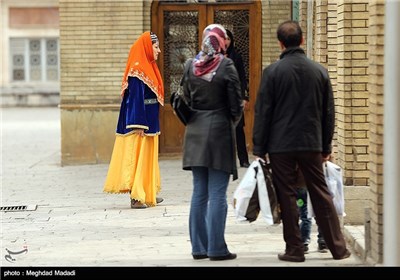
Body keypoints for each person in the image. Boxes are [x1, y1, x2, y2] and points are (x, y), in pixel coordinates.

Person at [252, 20, 351, 262]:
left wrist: (259, 147)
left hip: (280, 146)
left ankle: (295, 248)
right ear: (302, 40)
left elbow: (263, 111)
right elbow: (329, 112)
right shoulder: (320, 71)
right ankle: (338, 248)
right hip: (311, 144)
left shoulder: (272, 73)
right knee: (320, 192)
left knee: (286, 194)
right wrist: (326, 146)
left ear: (280, 43)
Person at [180, 24, 243, 261]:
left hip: (195, 132)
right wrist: (230, 121)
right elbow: (236, 105)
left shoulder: (189, 65)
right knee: (217, 193)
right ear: (220, 42)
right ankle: (216, 248)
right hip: (219, 133)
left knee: (199, 192)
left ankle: (199, 247)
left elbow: (185, 97)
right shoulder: (226, 65)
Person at [103, 31, 164, 209]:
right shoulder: (138, 70)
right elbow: (134, 99)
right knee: (138, 158)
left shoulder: (149, 67)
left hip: (150, 120)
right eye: (156, 46)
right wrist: (138, 123)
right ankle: (136, 197)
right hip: (140, 123)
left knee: (148, 157)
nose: (159, 51)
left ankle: (147, 191)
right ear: (147, 47)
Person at [225, 29, 250, 168]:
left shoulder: (236, 56)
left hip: (235, 97)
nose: (226, 42)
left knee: (239, 129)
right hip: (221, 99)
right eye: (224, 39)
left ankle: (243, 159)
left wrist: (244, 96)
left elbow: (242, 78)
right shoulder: (214, 57)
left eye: (229, 39)